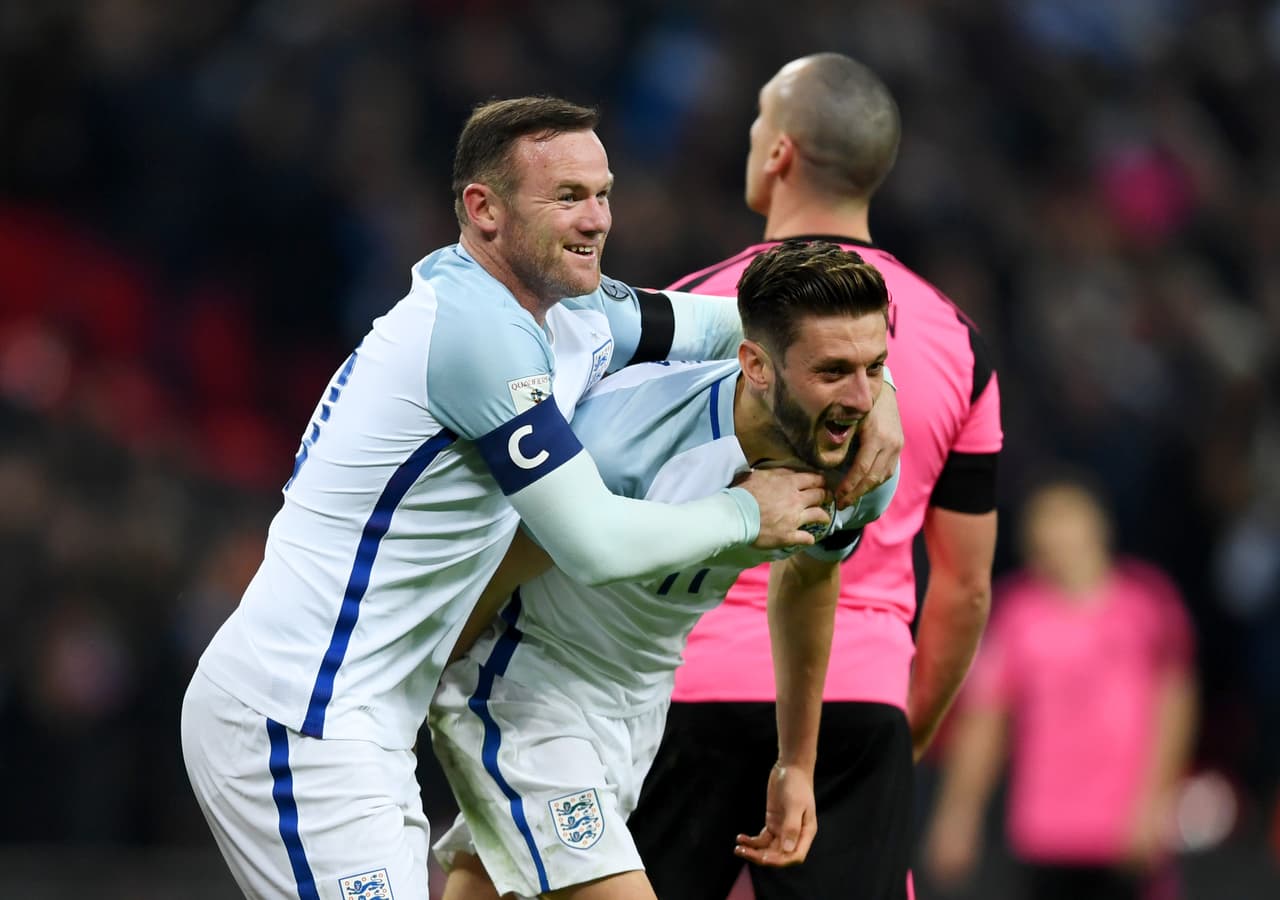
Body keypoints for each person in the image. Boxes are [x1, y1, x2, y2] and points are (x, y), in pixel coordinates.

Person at [179, 97, 902, 900]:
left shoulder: (580, 313)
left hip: (373, 716)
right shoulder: (474, 334)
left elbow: (773, 327)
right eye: (567, 197)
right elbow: (590, 542)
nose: (597, 219)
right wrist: (747, 513)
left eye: (603, 193)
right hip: (300, 712)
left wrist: (878, 390)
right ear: (482, 210)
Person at [629, 52, 1004, 900]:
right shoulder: (959, 343)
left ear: (779, 154)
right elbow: (964, 590)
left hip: (683, 695)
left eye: (761, 121)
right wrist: (896, 740)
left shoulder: (692, 309)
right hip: (856, 699)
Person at [428, 240, 899, 900]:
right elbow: (495, 566)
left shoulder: (861, 465)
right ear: (757, 367)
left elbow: (811, 580)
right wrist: (400, 706)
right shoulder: (622, 443)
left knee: (488, 884)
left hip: (638, 709)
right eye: (833, 372)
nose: (861, 398)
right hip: (522, 683)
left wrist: (796, 762)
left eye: (875, 368)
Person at [921, 476, 1198, 900]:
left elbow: (1175, 708)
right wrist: (958, 814)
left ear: (1098, 526)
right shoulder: (1017, 613)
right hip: (1046, 830)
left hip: (1126, 831)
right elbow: (987, 719)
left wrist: (1153, 803)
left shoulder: (1147, 604)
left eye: (1068, 517)